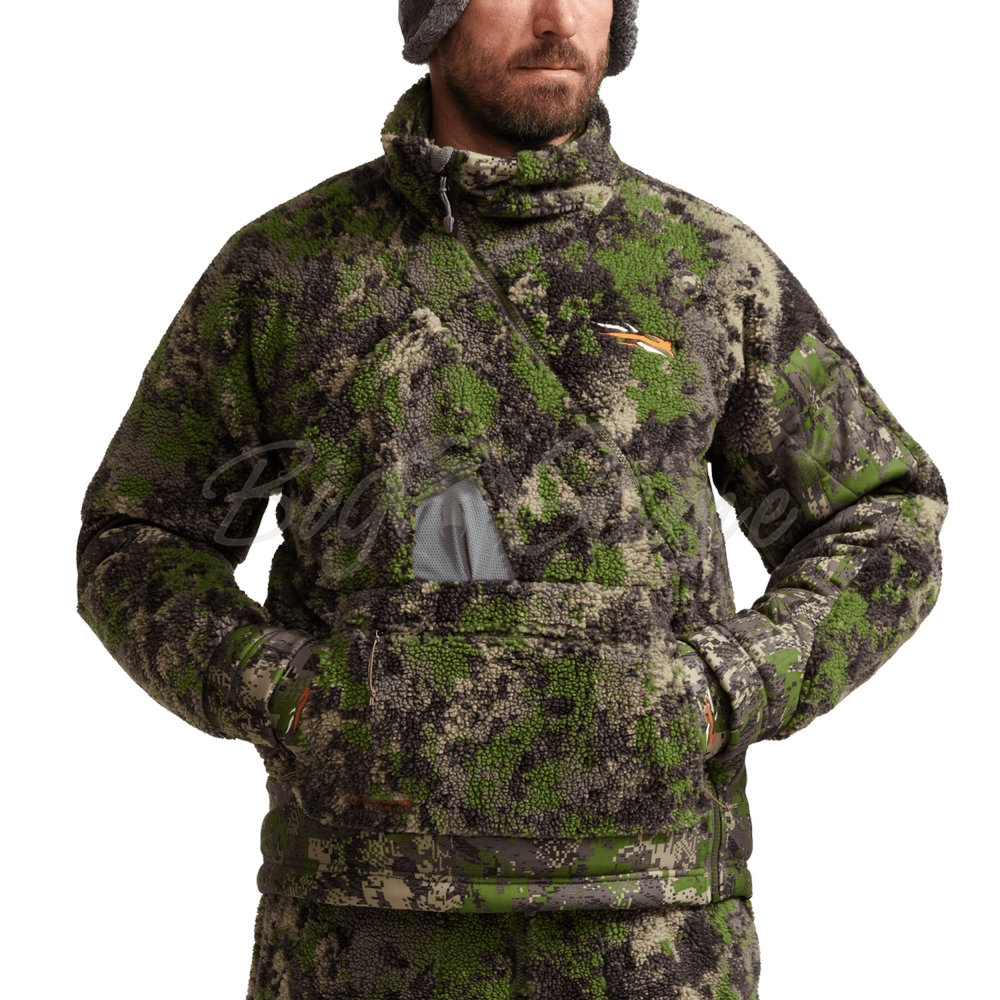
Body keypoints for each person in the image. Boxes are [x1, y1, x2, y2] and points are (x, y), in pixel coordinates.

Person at [76, 1, 947, 996]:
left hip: (654, 931)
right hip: (358, 930)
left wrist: (724, 685)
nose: (556, 19)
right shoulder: (287, 270)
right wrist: (294, 693)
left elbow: (882, 518)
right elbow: (138, 537)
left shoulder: (706, 267)